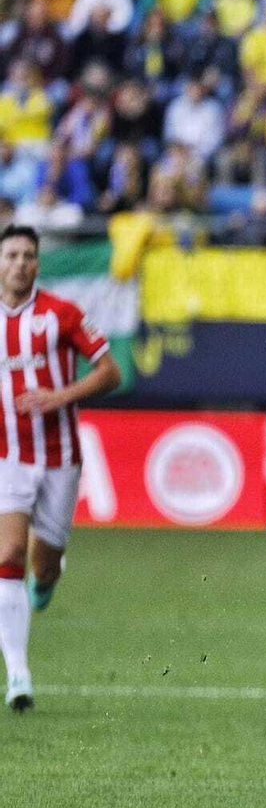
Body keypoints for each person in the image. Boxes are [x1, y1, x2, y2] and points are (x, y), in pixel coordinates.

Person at [0, 225, 123, 712]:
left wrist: (59, 397)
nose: (20, 263)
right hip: (7, 455)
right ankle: (19, 675)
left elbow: (110, 371)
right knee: (8, 550)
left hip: (60, 456)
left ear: (38, 264)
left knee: (41, 565)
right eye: (11, 254)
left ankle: (47, 575)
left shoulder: (62, 314)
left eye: (29, 255)